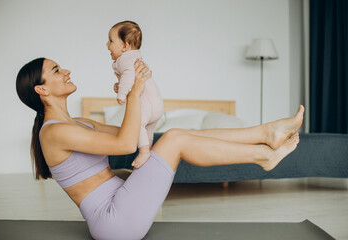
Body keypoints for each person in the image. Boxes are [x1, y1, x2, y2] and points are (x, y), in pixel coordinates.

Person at [16, 57, 304, 240]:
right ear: (42, 89)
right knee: (176, 139)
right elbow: (126, 144)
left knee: (179, 134)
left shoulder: (77, 122)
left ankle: (267, 132)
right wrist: (134, 94)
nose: (65, 70)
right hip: (113, 221)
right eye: (55, 70)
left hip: (119, 203)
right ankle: (264, 155)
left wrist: (136, 94)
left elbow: (136, 132)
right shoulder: (54, 132)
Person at [107, 21, 164, 168]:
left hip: (146, 104)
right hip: (156, 104)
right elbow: (131, 80)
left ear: (125, 46)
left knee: (136, 124)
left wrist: (121, 93)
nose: (107, 44)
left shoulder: (127, 58)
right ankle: (148, 152)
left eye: (111, 41)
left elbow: (129, 74)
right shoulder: (135, 57)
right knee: (147, 131)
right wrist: (120, 86)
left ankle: (144, 151)